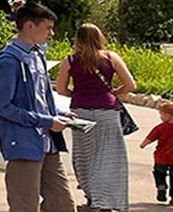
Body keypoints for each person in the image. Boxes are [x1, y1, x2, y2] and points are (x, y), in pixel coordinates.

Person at [0, 2, 74, 212]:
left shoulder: (37, 55)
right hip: (24, 145)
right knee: (25, 206)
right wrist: (46, 121)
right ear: (29, 26)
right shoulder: (8, 61)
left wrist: (59, 114)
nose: (52, 33)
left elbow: (40, 98)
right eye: (48, 28)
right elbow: (1, 105)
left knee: (62, 204)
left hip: (48, 144)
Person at [53, 23, 135, 211]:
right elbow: (130, 85)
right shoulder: (111, 57)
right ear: (100, 38)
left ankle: (92, 197)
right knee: (108, 158)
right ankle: (103, 201)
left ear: (77, 40)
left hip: (80, 112)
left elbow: (61, 89)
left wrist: (78, 94)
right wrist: (113, 92)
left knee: (83, 157)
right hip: (107, 111)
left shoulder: (70, 61)